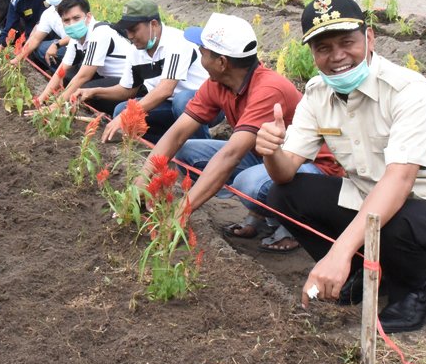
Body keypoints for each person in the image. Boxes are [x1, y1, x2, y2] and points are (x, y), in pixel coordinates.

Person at [256, 0, 426, 333]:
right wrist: (270, 151)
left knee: (395, 218)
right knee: (283, 194)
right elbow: (286, 171)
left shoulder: (408, 91)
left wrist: (338, 252)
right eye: (324, 48)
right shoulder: (317, 94)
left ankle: (413, 291)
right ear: (313, 53)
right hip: (371, 203)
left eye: (347, 42)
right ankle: (365, 269)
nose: (337, 56)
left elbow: (399, 183)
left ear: (369, 38)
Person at [138, 13, 342, 252]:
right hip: (267, 157)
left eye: (203, 51)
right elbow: (177, 133)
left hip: (311, 167)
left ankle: (292, 228)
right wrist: (142, 179)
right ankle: (261, 216)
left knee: (249, 182)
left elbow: (230, 156)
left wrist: (181, 212)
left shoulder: (268, 89)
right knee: (186, 150)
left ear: (222, 62)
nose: (199, 55)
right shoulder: (217, 83)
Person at [78, 0, 209, 144]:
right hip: (169, 105)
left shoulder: (177, 43)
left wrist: (124, 116)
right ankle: (169, 145)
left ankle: (200, 148)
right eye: (127, 31)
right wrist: (94, 92)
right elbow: (127, 90)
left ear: (153, 24)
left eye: (134, 30)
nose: (130, 36)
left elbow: (165, 90)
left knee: (182, 101)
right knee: (122, 110)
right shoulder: (136, 51)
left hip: (204, 106)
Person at [36, 0, 131, 115]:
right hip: (106, 76)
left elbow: (84, 76)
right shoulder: (76, 38)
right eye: (66, 20)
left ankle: (108, 113)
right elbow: (62, 70)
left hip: (127, 81)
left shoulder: (100, 33)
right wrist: (41, 99)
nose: (72, 24)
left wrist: (54, 107)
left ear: (88, 17)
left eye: (76, 18)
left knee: (85, 89)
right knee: (67, 77)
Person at [11, 0, 69, 72]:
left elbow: (78, 37)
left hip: (82, 48)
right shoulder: (49, 13)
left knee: (47, 48)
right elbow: (35, 39)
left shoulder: (76, 6)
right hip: (67, 46)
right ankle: (60, 74)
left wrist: (56, 45)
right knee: (38, 47)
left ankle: (68, 75)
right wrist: (18, 58)